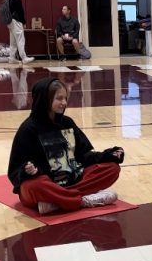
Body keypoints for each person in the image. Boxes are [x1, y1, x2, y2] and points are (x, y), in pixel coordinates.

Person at [7, 77, 124, 214]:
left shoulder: (67, 123)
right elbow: (14, 171)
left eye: (65, 98)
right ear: (45, 99)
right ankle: (82, 201)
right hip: (47, 183)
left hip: (72, 180)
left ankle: (58, 202)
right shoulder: (28, 129)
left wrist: (109, 154)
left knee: (112, 168)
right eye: (59, 98)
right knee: (33, 187)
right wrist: (28, 171)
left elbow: (83, 155)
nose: (64, 103)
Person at [6, 0, 34, 65]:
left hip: (9, 21)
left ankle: (12, 58)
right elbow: (20, 12)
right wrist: (24, 22)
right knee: (21, 39)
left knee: (13, 41)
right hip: (16, 21)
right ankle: (24, 58)